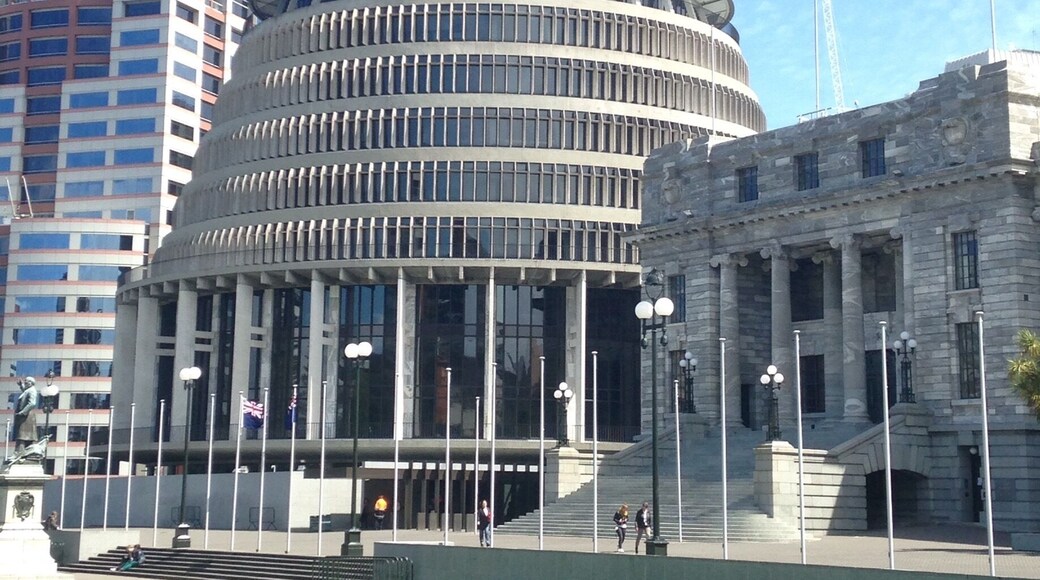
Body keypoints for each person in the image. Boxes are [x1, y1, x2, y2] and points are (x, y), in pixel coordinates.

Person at [12, 376, 38, 453]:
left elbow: (32, 403)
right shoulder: (28, 390)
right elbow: (25, 391)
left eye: (26, 382)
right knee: (22, 433)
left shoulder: (32, 390)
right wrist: (21, 385)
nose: (25, 383)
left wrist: (23, 412)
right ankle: (20, 450)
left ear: (31, 383)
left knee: (23, 434)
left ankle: (21, 451)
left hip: (27, 415)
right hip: (24, 415)